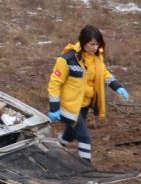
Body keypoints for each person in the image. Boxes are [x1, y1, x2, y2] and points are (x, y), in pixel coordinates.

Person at [47, 25, 129, 162]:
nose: (95, 47)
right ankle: (86, 167)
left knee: (70, 134)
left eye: (97, 44)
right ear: (83, 42)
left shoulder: (96, 58)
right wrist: (54, 108)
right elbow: (55, 83)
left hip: (84, 105)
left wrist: (117, 86)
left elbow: (103, 73)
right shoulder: (67, 59)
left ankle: (51, 153)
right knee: (84, 137)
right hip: (69, 106)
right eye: (92, 44)